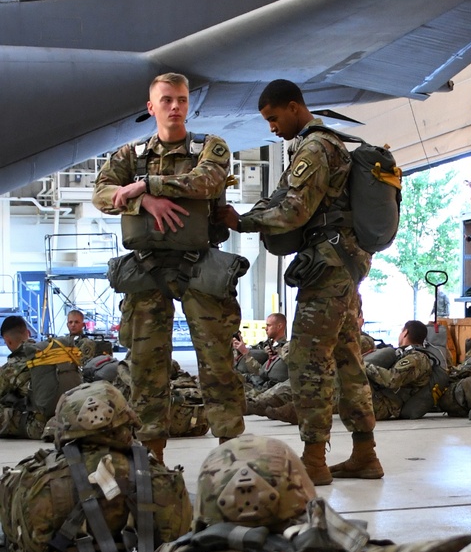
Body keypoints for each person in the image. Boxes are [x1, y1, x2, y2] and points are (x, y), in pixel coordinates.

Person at [221, 79, 380, 487]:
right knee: (347, 358)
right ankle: (365, 453)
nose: (272, 128)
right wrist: (248, 213)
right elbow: (278, 197)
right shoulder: (315, 146)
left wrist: (243, 221)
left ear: (295, 107)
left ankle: (314, 459)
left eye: (274, 118)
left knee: (309, 361)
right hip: (343, 266)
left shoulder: (314, 147)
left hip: (328, 269)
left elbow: (292, 210)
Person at [92, 72, 246, 459]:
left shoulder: (210, 147)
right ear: (151, 107)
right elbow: (101, 193)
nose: (175, 106)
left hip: (201, 267)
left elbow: (206, 181)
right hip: (148, 269)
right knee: (146, 367)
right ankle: (152, 458)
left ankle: (230, 454)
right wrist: (142, 203)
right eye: (166, 100)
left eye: (181, 99)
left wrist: (146, 187)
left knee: (217, 363)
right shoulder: (130, 153)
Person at [366, 320, 445, 419]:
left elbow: (392, 379)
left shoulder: (416, 358)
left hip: (383, 406)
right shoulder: (409, 354)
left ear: (405, 332)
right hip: (382, 400)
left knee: (352, 373)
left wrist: (364, 366)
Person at [0, 316, 45, 438]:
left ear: (7, 340)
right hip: (66, 418)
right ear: (29, 333)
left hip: (40, 426)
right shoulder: (48, 352)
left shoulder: (10, 368)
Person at [234, 313, 289, 389]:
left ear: (279, 326)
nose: (265, 328)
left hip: (261, 386)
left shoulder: (285, 350)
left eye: (269, 325)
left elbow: (260, 372)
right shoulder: (263, 345)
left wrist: (246, 353)